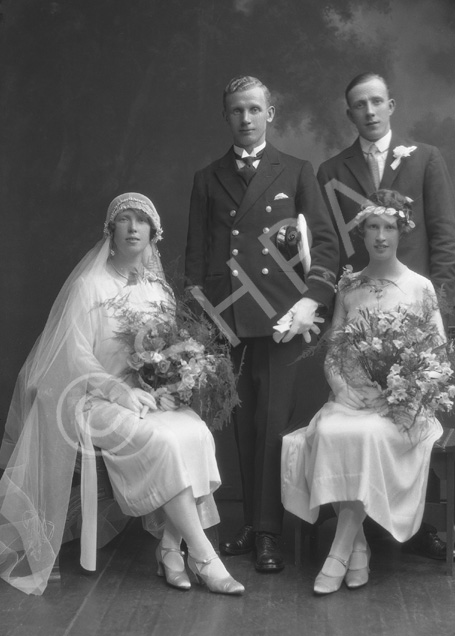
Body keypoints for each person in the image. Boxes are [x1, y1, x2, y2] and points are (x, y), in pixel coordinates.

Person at [0, 192, 244, 596]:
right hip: (88, 400)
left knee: (196, 432)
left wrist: (168, 387)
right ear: (111, 230)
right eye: (125, 219)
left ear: (153, 233)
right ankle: (203, 556)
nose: (133, 227)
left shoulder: (158, 290)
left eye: (142, 220)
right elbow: (73, 358)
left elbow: (166, 352)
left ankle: (169, 548)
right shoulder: (88, 286)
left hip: (145, 396)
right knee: (165, 441)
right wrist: (115, 389)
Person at [185, 76, 339, 572]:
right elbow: (196, 257)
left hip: (281, 318)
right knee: (242, 427)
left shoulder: (296, 171)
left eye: (255, 109)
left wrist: (311, 301)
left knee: (272, 424)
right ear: (226, 117)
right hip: (227, 316)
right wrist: (202, 319)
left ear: (271, 113)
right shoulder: (207, 177)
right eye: (236, 111)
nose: (246, 119)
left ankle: (270, 531)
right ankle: (252, 524)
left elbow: (327, 245)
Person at [316, 72, 455, 559]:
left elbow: (443, 236)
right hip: (361, 313)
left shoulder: (426, 159)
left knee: (415, 408)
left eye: (377, 101)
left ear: (391, 105)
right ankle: (362, 529)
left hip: (414, 310)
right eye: (359, 104)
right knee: (355, 414)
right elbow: (331, 246)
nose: (370, 111)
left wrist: (437, 310)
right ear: (349, 113)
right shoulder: (331, 170)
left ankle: (417, 523)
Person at [281, 189, 447, 594]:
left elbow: (437, 356)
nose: (380, 236)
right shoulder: (349, 286)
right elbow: (333, 349)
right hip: (352, 400)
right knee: (331, 432)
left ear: (401, 231)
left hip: (402, 408)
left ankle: (339, 553)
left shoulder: (419, 287)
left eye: (389, 227)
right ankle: (356, 549)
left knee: (368, 436)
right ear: (363, 233)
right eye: (372, 227)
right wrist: (342, 387)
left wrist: (401, 392)